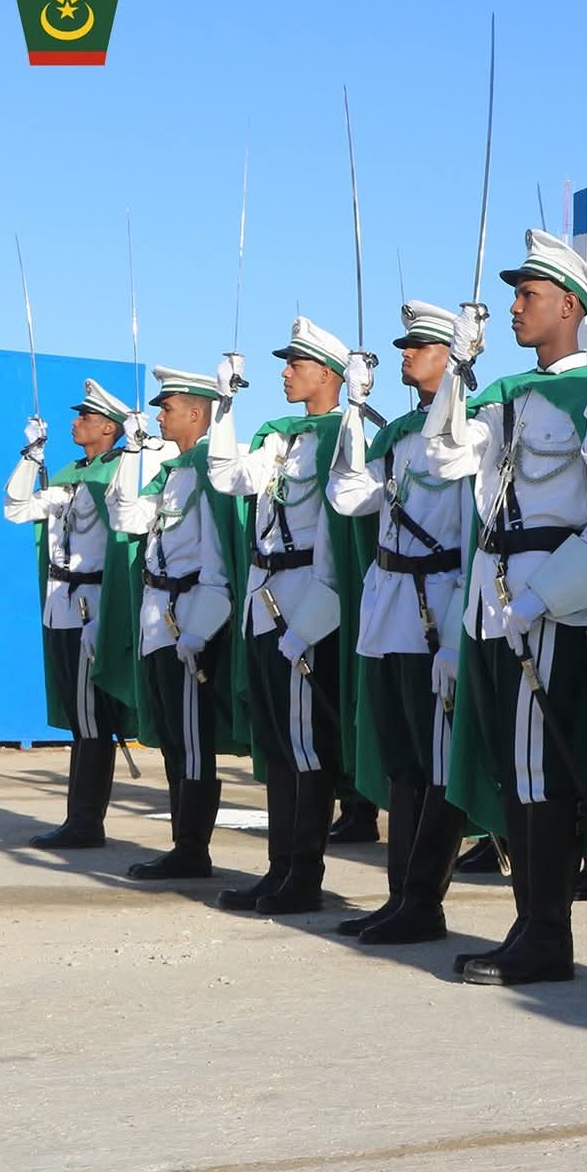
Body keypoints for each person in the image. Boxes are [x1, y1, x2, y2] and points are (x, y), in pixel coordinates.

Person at [423, 230, 587, 986]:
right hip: (493, 606)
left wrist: (542, 598)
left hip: (549, 611)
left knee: (540, 774)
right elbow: (443, 455)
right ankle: (530, 925)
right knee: (512, 774)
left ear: (570, 307)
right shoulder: (502, 399)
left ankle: (548, 934)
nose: (515, 307)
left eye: (529, 296)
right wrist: (460, 370)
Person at [205, 319, 371, 915]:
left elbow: (334, 537)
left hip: (304, 602)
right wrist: (224, 406)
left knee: (306, 746)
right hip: (264, 599)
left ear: (327, 374)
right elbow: (227, 477)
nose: (284, 373)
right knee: (277, 745)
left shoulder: (343, 436)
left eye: (295, 365)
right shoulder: (279, 437)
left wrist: (311, 620)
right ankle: (278, 869)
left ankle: (304, 874)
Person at [326, 301, 477, 943]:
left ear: (450, 357)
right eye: (404, 347)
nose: (406, 355)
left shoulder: (469, 433)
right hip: (389, 610)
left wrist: (459, 636)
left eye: (419, 347)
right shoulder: (397, 436)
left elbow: (474, 539)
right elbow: (348, 495)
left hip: (435, 611)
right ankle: (398, 897)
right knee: (401, 765)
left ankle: (424, 903)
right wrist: (354, 413)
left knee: (435, 764)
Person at [97, 369, 250, 880]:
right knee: (170, 736)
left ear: (196, 413)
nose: (160, 416)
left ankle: (191, 848)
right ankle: (182, 844)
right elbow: (125, 517)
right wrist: (130, 453)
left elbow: (218, 562)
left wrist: (200, 631)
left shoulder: (208, 468)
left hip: (188, 621)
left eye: (168, 408)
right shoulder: (173, 471)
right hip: (159, 619)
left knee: (192, 740)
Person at [4, 379, 137, 848]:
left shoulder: (119, 472)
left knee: (92, 720)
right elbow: (16, 507)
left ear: (109, 427)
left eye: (86, 417)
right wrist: (31, 457)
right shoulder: (71, 474)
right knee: (79, 719)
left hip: (91, 607)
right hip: (60, 606)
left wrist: (136, 449)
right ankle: (77, 819)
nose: (76, 423)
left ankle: (85, 823)